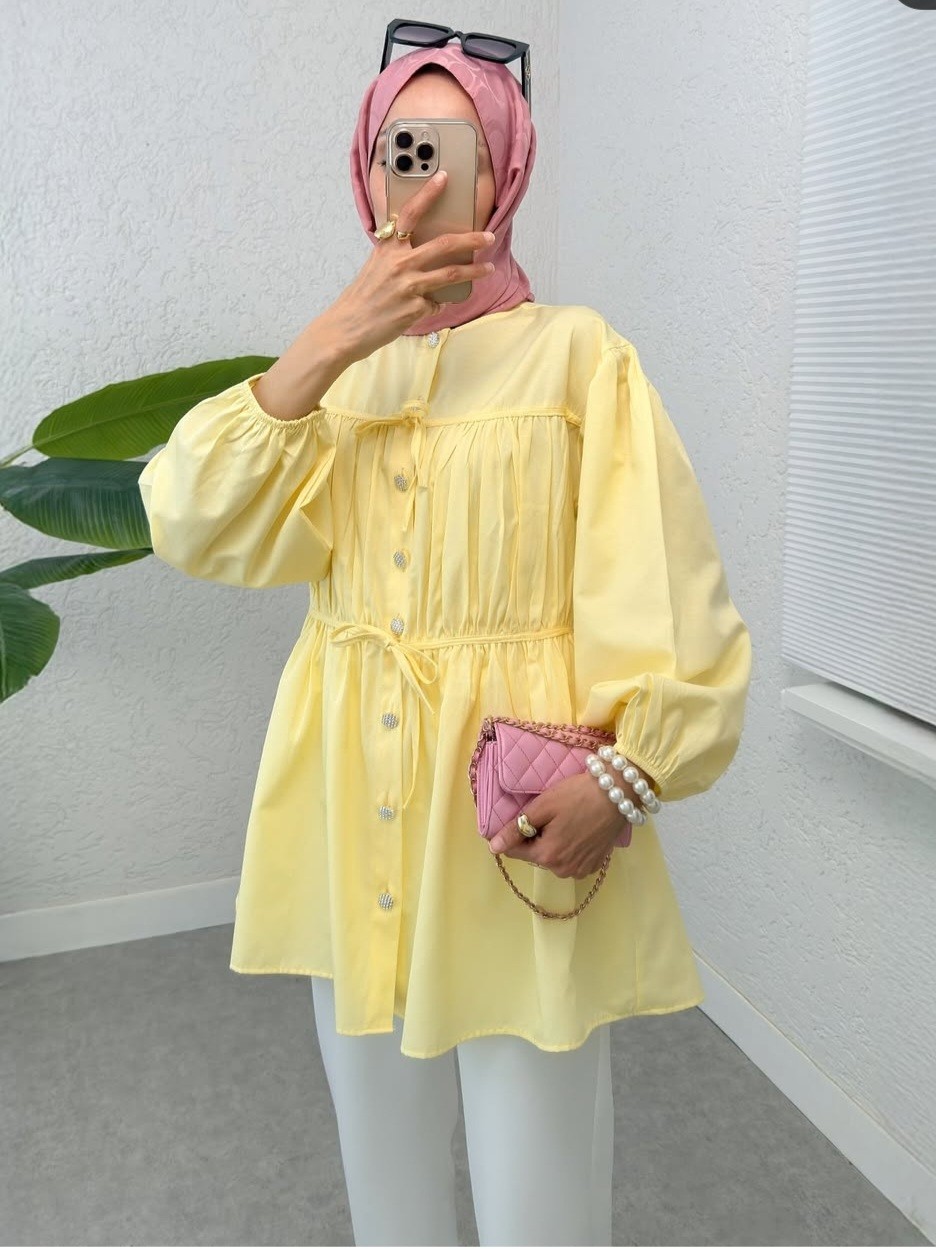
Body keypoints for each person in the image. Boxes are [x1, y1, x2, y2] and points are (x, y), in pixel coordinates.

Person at [138, 40, 752, 1249]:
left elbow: (663, 580)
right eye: (394, 150)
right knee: (386, 1171)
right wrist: (331, 340)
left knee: (539, 1188)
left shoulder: (579, 356)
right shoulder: (332, 379)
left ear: (504, 167)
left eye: (446, 149)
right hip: (349, 807)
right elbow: (190, 521)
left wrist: (631, 772)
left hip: (511, 817)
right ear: (362, 169)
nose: (414, 179)